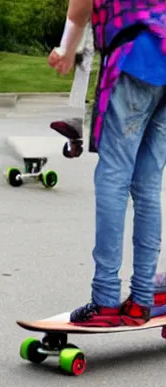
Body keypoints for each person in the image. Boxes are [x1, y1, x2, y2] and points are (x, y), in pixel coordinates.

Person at [48, 0, 166, 327]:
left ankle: (105, 300)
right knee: (148, 185)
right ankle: (142, 298)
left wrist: (66, 49)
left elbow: (78, 11)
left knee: (113, 179)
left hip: (137, 58)